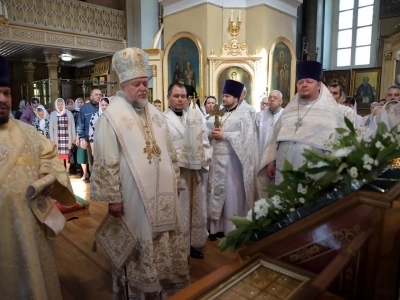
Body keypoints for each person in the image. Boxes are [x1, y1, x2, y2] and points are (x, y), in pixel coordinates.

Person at [91, 47, 190, 299]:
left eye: (145, 83)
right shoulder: (111, 117)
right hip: (133, 198)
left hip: (164, 196)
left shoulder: (155, 114)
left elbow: (170, 153)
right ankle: (137, 291)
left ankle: (163, 285)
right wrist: (113, 197)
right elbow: (106, 160)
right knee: (139, 237)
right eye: (137, 84)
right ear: (123, 85)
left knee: (164, 241)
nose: (143, 89)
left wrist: (176, 180)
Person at [0, 55, 76, 299]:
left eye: (6, 92)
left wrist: (48, 177)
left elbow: (51, 157)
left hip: (30, 233)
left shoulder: (28, 133)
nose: (2, 99)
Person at [258, 61, 345, 192]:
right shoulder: (289, 111)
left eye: (309, 81)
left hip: (314, 172)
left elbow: (339, 147)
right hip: (284, 170)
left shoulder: (331, 113)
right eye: (300, 82)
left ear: (319, 85)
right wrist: (271, 162)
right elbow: (275, 139)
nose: (304, 85)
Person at [163, 83, 212, 259]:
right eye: (176, 96)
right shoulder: (162, 120)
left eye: (183, 96)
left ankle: (194, 244)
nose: (180, 99)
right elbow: (163, 150)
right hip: (178, 173)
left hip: (196, 172)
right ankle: (179, 247)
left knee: (197, 209)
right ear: (169, 97)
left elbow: (204, 141)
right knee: (181, 211)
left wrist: (202, 156)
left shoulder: (194, 117)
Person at [207, 79, 257, 238]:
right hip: (215, 160)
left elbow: (247, 138)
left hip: (233, 162)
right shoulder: (218, 112)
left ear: (236, 97)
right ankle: (215, 229)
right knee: (215, 193)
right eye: (223, 95)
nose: (224, 99)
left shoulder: (245, 115)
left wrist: (225, 135)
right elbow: (206, 128)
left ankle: (231, 229)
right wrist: (209, 133)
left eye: (227, 96)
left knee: (231, 196)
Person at [77, 89, 101, 179]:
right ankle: (93, 180)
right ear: (91, 96)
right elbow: (81, 124)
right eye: (96, 94)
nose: (99, 96)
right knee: (92, 160)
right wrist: (82, 138)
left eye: (100, 94)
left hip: (102, 138)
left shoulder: (104, 106)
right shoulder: (85, 108)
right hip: (89, 138)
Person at [49, 98, 76, 174]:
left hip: (67, 137)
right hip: (58, 138)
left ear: (63, 105)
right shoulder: (53, 114)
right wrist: (52, 139)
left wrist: (74, 137)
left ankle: (67, 170)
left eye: (61, 104)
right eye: (58, 104)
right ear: (56, 105)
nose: (60, 106)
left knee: (67, 156)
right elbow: (51, 128)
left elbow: (73, 126)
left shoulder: (69, 113)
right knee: (60, 155)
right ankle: (62, 170)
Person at [256, 90, 284, 158]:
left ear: (281, 101)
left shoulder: (285, 115)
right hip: (261, 153)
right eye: (270, 98)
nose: (272, 99)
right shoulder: (260, 115)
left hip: (278, 155)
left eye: (275, 98)